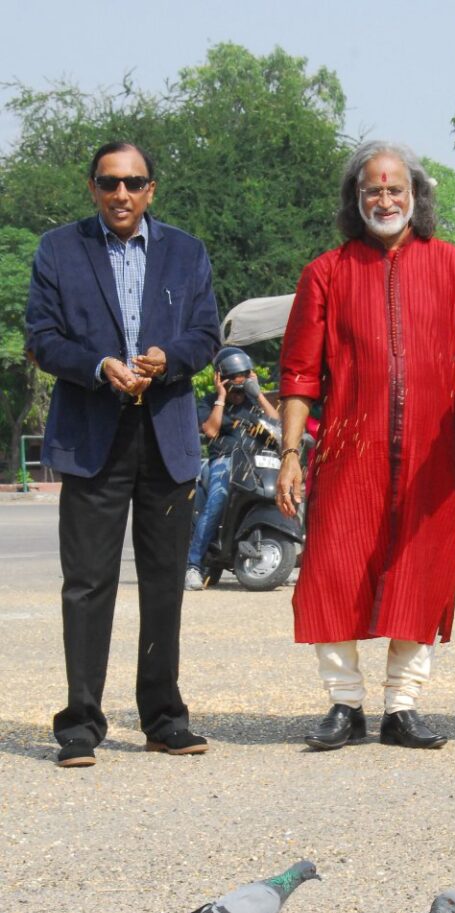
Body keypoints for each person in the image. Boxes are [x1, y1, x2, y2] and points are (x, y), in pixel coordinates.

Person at [277, 140, 455, 751]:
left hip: (432, 456)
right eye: (372, 190)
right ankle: (344, 704)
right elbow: (299, 373)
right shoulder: (325, 273)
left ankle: (402, 707)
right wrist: (292, 454)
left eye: (395, 189)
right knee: (334, 568)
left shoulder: (454, 267)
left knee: (421, 570)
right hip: (349, 451)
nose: (385, 199)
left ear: (416, 197)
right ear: (356, 200)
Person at [26, 141, 220, 767]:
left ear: (151, 190)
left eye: (134, 183)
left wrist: (169, 361)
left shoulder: (186, 253)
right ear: (92, 188)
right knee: (88, 584)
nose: (122, 195)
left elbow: (206, 334)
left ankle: (164, 716)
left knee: (164, 583)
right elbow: (42, 337)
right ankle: (80, 722)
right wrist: (97, 365)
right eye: (110, 183)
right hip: (91, 436)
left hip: (165, 436)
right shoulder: (60, 249)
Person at [185, 347, 279, 590]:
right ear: (223, 378)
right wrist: (221, 396)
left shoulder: (254, 402)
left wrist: (258, 395)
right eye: (236, 378)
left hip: (254, 461)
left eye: (245, 376)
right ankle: (193, 566)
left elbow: (276, 426)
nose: (241, 383)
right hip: (222, 461)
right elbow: (211, 431)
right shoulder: (209, 402)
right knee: (219, 496)